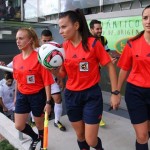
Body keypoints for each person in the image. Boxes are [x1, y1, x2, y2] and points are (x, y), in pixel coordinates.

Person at [55, 9, 120, 150]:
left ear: (76, 25)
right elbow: (61, 74)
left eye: (64, 26)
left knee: (91, 140)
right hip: (72, 96)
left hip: (91, 95)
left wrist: (115, 92)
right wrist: (51, 68)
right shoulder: (63, 48)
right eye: (59, 27)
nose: (60, 31)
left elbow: (109, 66)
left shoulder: (93, 44)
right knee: (81, 136)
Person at [13, 27, 54, 150]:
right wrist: (16, 96)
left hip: (38, 95)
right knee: (19, 125)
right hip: (22, 95)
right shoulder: (16, 59)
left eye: (21, 38)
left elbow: (47, 81)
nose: (17, 41)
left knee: (39, 123)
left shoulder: (39, 58)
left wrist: (48, 101)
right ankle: (35, 137)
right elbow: (17, 80)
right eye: (16, 39)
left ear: (30, 40)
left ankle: (42, 143)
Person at [117, 5, 150, 150]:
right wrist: (116, 92)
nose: (148, 21)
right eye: (145, 18)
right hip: (135, 93)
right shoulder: (132, 43)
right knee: (142, 136)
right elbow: (124, 68)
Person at [89, 19, 117, 127]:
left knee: (96, 95)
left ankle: (97, 117)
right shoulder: (86, 41)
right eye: (97, 29)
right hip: (88, 74)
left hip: (97, 72)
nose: (100, 31)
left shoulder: (103, 39)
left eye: (100, 28)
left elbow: (106, 52)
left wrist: (110, 59)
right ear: (91, 29)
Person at [40, 29, 66, 131]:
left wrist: (60, 79)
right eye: (44, 41)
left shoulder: (57, 49)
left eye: (49, 40)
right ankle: (34, 121)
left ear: (52, 39)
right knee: (38, 101)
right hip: (40, 82)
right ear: (41, 40)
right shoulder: (37, 50)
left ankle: (57, 121)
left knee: (58, 99)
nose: (47, 43)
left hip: (52, 80)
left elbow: (60, 65)